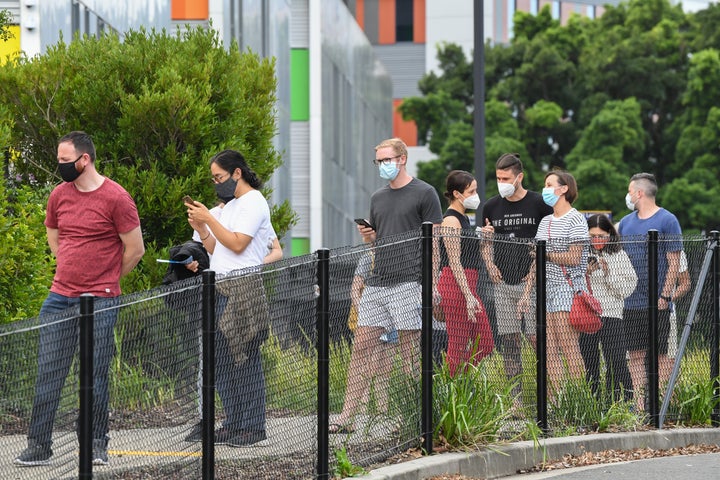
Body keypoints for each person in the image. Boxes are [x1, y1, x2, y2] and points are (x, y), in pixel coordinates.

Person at [15, 131, 145, 467]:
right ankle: (38, 446)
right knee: (49, 373)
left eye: (63, 160)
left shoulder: (117, 198)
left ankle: (95, 444)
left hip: (100, 302)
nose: (59, 166)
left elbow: (135, 249)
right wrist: (67, 266)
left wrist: (106, 282)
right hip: (59, 297)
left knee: (94, 375)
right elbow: (53, 232)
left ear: (83, 159)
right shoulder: (59, 195)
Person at [330, 137, 442, 433]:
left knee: (409, 352)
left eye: (386, 160)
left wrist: (431, 284)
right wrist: (369, 237)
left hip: (410, 281)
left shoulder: (425, 193)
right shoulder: (378, 197)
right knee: (361, 347)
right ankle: (346, 417)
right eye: (378, 161)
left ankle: (416, 416)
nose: (382, 165)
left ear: (402, 158)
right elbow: (377, 243)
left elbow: (436, 242)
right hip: (378, 282)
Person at [184, 149, 275, 447]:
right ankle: (234, 421)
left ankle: (253, 425)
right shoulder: (231, 205)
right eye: (213, 179)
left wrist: (209, 217)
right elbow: (216, 249)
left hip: (243, 288)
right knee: (221, 360)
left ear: (237, 173)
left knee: (244, 357)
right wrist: (202, 229)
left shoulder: (254, 202)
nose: (216, 183)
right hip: (220, 286)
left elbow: (237, 245)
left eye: (219, 177)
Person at [480, 153, 553, 402]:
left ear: (519, 177)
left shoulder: (539, 204)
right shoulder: (490, 206)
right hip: (502, 284)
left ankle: (551, 398)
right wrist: (489, 264)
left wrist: (532, 276)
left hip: (530, 284)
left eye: (506, 178)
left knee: (537, 340)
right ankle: (516, 401)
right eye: (498, 178)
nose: (502, 182)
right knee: (510, 343)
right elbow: (485, 243)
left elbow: (544, 245)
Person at [618, 172, 682, 410]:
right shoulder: (625, 223)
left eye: (629, 190)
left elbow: (674, 261)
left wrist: (665, 296)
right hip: (631, 303)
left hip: (658, 302)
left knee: (661, 356)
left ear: (639, 193)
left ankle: (661, 405)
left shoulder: (668, 220)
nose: (628, 195)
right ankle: (639, 406)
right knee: (635, 355)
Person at [523, 170, 588, 395]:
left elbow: (575, 257)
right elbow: (536, 261)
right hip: (545, 288)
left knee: (568, 347)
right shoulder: (545, 222)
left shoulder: (576, 218)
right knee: (548, 350)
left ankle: (579, 400)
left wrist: (545, 254)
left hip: (566, 288)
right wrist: (526, 293)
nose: (545, 189)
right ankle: (555, 403)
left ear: (564, 189)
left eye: (550, 184)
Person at [437, 170, 494, 376]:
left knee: (485, 343)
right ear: (457, 194)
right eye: (471, 191)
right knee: (458, 343)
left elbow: (469, 254)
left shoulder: (463, 219)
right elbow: (454, 261)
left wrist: (484, 238)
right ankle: (451, 388)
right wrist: (468, 295)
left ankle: (461, 378)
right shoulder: (451, 220)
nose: (475, 195)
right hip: (456, 285)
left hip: (468, 284)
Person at [579, 214, 637, 402]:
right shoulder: (580, 252)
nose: (596, 241)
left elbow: (627, 288)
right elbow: (568, 284)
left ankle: (622, 401)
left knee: (617, 360)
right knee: (590, 363)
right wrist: (585, 273)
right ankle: (593, 402)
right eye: (592, 236)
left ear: (610, 235)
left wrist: (607, 273)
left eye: (601, 236)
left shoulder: (618, 254)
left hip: (611, 314)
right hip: (586, 316)